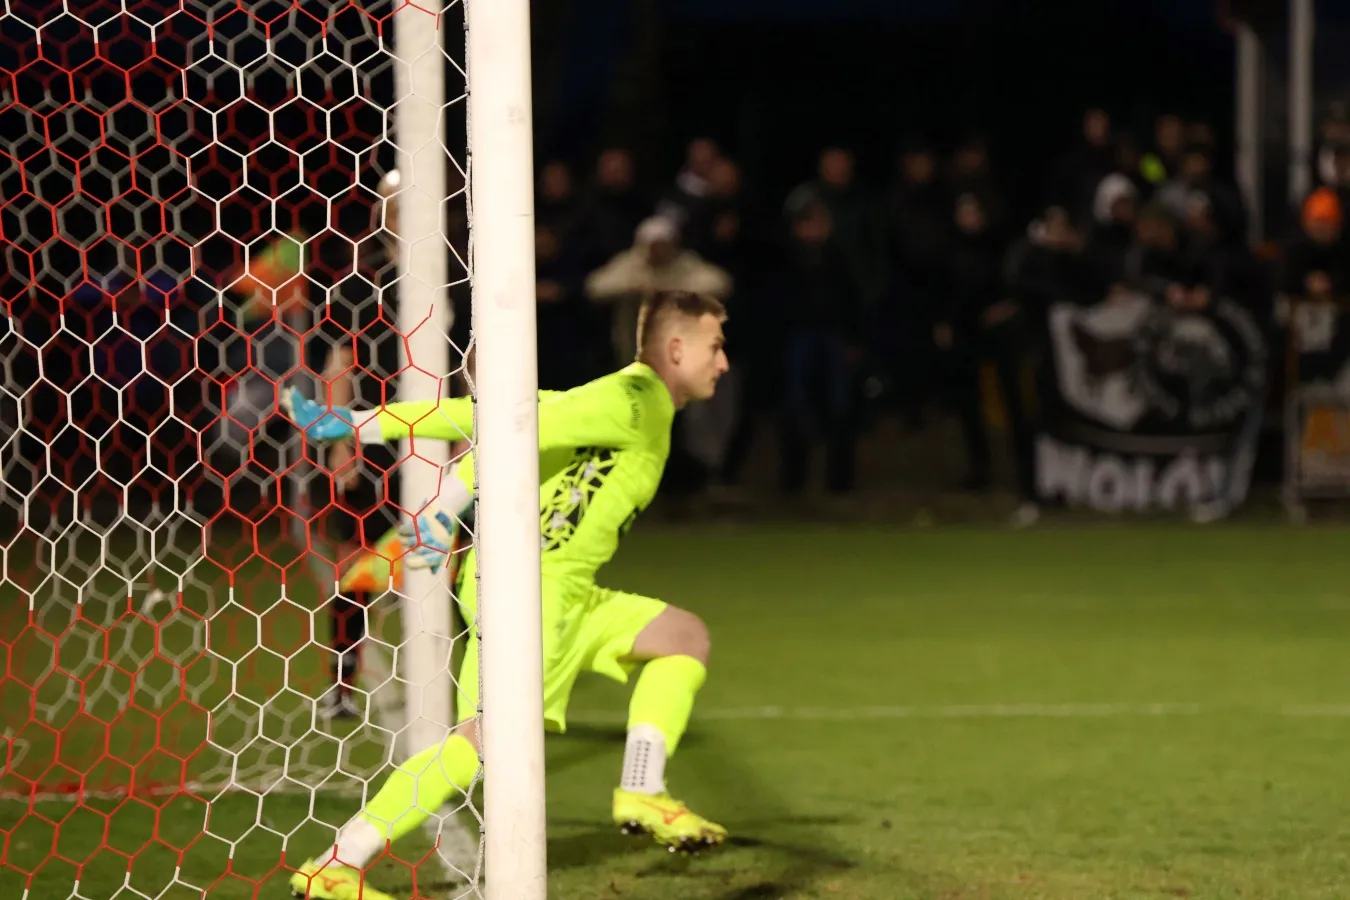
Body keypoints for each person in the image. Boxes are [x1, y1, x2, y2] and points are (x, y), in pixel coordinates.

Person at [283, 290, 731, 900]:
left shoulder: (628, 402)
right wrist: (447, 503)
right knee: (480, 743)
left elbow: (490, 413)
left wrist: (362, 423)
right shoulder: (634, 399)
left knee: (682, 637)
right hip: (531, 595)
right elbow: (510, 429)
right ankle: (336, 865)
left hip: (562, 591)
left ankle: (643, 789)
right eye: (715, 346)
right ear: (677, 349)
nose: (723, 362)